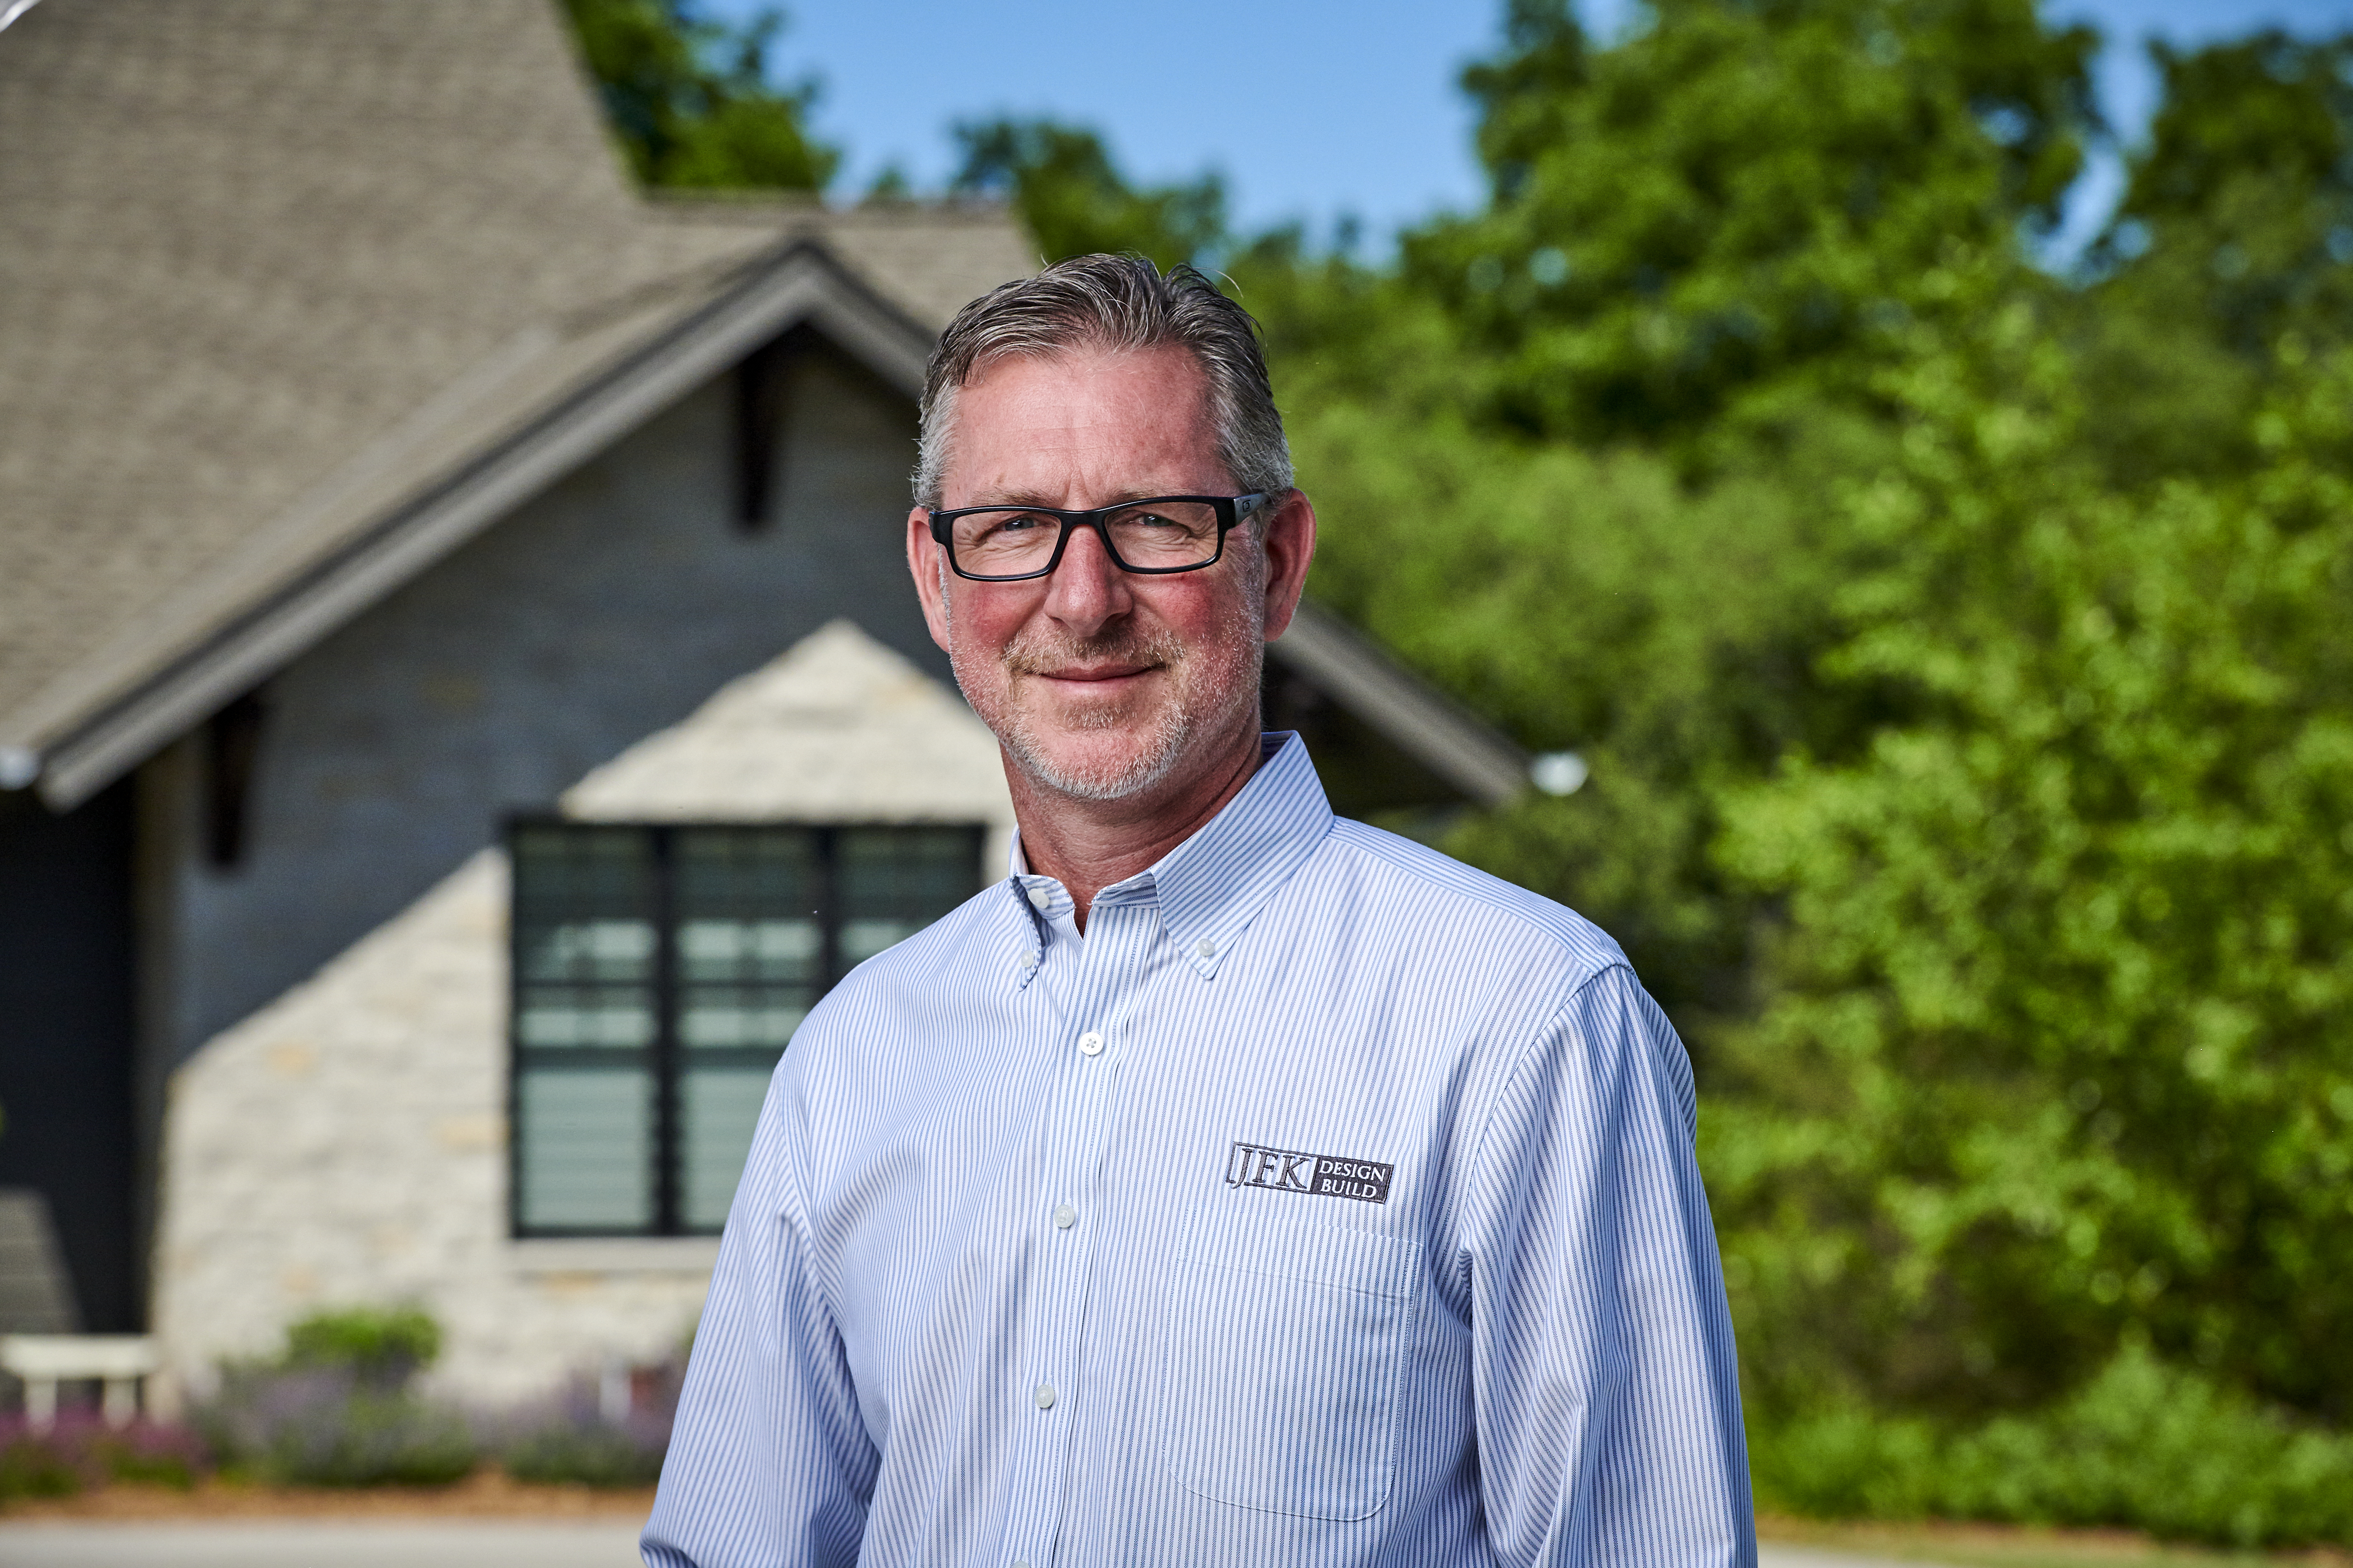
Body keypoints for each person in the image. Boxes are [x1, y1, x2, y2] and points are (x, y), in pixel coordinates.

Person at [642, 255, 1754, 1568]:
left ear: (1274, 563)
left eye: (1157, 520)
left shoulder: (1520, 1022)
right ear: (939, 582)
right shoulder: (855, 1055)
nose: (1082, 597)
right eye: (1011, 527)